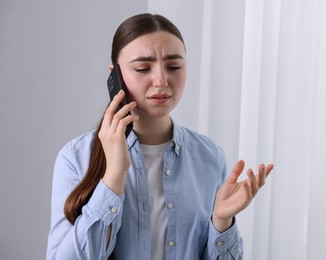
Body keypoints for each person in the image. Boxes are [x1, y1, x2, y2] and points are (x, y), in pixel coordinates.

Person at [46, 13, 273, 260]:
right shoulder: (75, 157)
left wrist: (221, 220)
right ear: (115, 76)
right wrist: (113, 177)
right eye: (143, 68)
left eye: (174, 66)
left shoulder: (210, 156)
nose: (161, 81)